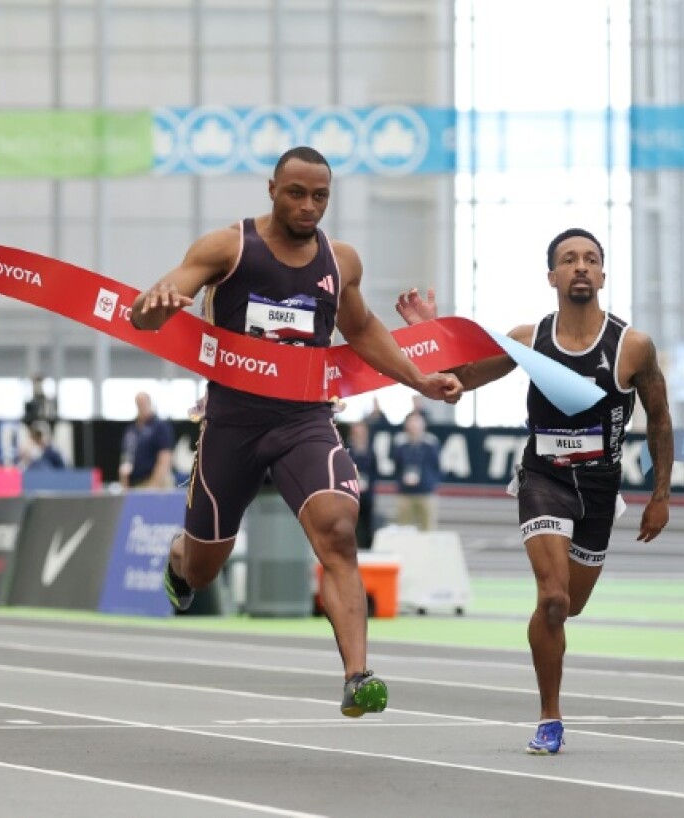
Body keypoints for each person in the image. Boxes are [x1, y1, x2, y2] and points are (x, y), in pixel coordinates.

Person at [131, 146, 463, 718]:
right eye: (296, 193)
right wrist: (155, 304)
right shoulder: (228, 247)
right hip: (231, 424)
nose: (309, 206)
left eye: (320, 196)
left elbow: (360, 329)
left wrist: (419, 379)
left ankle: (357, 676)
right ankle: (179, 555)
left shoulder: (341, 262)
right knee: (205, 570)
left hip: (303, 420)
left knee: (338, 528)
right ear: (271, 189)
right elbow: (149, 310)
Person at [395, 227, 673, 754]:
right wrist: (429, 334)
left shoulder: (632, 346)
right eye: (569, 259)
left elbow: (659, 419)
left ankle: (552, 659)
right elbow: (465, 377)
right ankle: (550, 715)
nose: (581, 266)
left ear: (604, 274)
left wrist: (661, 494)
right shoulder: (529, 339)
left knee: (571, 607)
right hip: (543, 477)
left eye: (591, 258)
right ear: (553, 276)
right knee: (551, 598)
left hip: (599, 484)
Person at [391, 411, 441, 531]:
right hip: (405, 493)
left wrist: (430, 483)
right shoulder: (400, 443)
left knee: (428, 529)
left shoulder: (431, 443)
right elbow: (397, 465)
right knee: (403, 529)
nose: (414, 425)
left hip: (426, 493)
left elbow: (436, 466)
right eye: (411, 422)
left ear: (423, 425)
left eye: (417, 422)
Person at [119, 392, 176, 490]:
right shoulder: (132, 430)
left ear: (149, 403)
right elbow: (126, 456)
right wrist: (124, 482)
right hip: (135, 483)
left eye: (144, 403)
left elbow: (165, 457)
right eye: (139, 403)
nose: (142, 406)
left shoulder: (159, 427)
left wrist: (153, 486)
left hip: (155, 482)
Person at [345, 420, 377, 549]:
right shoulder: (348, 451)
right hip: (352, 494)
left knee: (368, 523)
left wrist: (370, 487)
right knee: (352, 524)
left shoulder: (370, 452)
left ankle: (367, 547)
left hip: (367, 494)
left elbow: (375, 472)